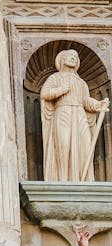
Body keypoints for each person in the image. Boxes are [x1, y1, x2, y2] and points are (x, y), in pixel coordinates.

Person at [41, 49, 110, 182]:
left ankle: (81, 179)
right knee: (63, 144)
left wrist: (98, 105)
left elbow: (85, 100)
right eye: (70, 56)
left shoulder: (81, 82)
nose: (73, 58)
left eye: (75, 56)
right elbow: (45, 93)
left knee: (84, 145)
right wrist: (62, 89)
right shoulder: (55, 77)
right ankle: (62, 179)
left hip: (80, 114)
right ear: (62, 60)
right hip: (63, 111)